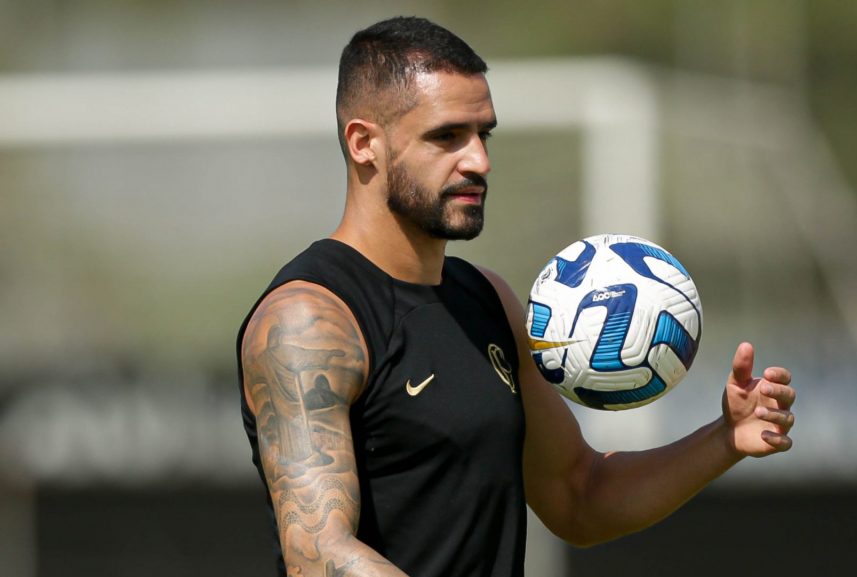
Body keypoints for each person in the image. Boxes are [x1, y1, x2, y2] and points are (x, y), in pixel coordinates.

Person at [236, 16, 796, 577]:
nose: (478, 160)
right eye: (447, 136)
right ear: (364, 144)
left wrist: (724, 438)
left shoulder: (488, 300)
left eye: (485, 134)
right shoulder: (308, 320)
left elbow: (580, 495)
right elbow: (318, 554)